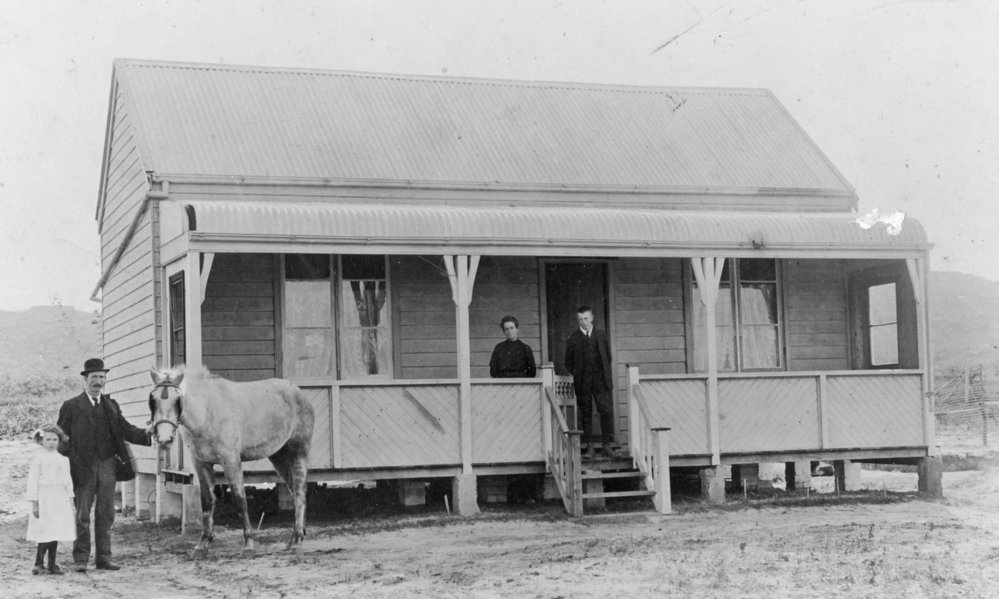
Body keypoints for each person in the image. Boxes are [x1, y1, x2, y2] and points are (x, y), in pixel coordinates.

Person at [57, 358, 152, 572]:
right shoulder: (71, 406)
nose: (98, 381)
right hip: (83, 469)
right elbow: (61, 440)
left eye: (102, 377)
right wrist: (72, 461)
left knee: (106, 513)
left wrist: (147, 434)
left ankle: (104, 558)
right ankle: (81, 559)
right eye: (94, 377)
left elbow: (125, 429)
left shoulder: (111, 405)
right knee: (82, 515)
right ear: (85, 380)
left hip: (108, 466)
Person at [563, 306, 615, 459]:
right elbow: (568, 363)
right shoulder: (573, 338)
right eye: (580, 319)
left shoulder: (601, 335)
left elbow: (608, 357)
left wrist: (600, 373)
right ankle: (590, 447)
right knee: (586, 413)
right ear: (577, 320)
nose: (584, 322)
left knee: (605, 411)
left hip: (600, 380)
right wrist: (580, 374)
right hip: (583, 381)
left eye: (586, 318)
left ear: (592, 318)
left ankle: (606, 446)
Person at [25, 424, 76, 575]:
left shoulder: (63, 460)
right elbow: (33, 482)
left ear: (59, 441)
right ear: (41, 441)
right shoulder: (38, 459)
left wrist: (70, 499)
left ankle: (52, 564)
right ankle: (38, 563)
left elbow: (68, 481)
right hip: (45, 498)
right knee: (45, 530)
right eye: (48, 439)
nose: (52, 442)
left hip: (59, 498)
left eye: (55, 439)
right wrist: (35, 503)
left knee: (56, 530)